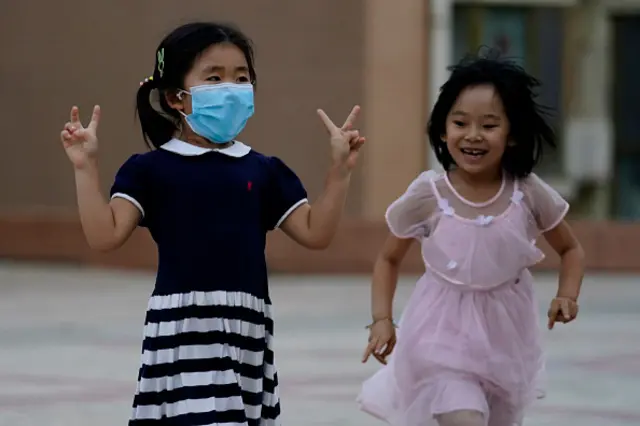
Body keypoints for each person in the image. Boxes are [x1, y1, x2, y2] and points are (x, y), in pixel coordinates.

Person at [59, 22, 364, 426]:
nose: (231, 89)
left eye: (241, 78)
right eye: (214, 78)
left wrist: (339, 171)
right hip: (183, 328)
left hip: (248, 331)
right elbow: (104, 236)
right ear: (175, 97)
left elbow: (316, 233)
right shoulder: (150, 170)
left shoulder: (266, 171)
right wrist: (85, 168)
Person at [357, 53, 584, 426]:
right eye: (460, 122)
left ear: (511, 135)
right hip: (440, 330)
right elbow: (388, 258)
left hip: (508, 335)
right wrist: (382, 319)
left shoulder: (526, 192)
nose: (473, 135)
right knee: (463, 416)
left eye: (489, 124)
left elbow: (570, 248)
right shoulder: (430, 193)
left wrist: (567, 294)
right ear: (443, 131)